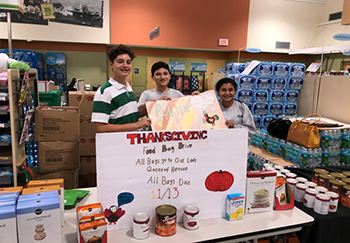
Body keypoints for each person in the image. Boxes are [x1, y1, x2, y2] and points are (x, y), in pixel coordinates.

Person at [91, 44, 151, 133]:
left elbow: (129, 114)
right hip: (119, 143)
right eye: (120, 62)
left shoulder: (128, 87)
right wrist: (136, 125)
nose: (125, 65)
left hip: (132, 141)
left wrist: (152, 105)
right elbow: (101, 127)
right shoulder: (104, 91)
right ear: (111, 64)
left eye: (128, 62)